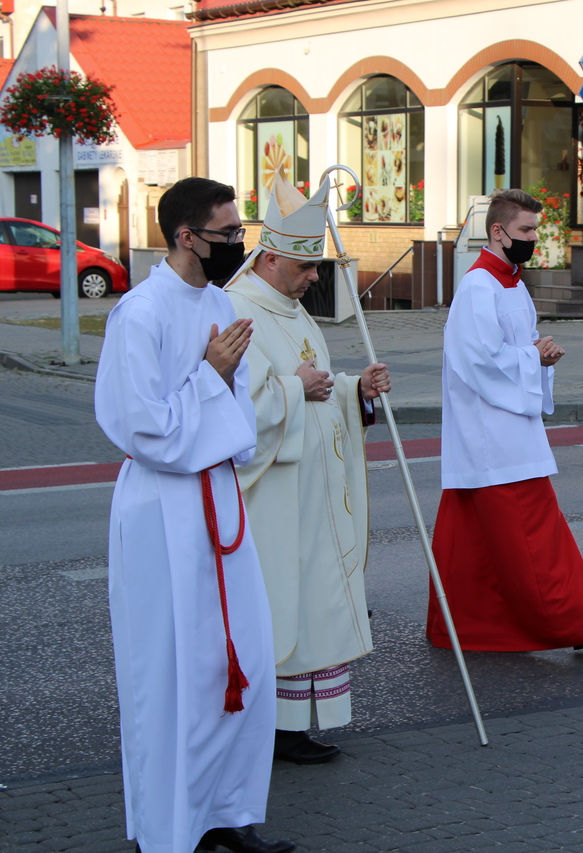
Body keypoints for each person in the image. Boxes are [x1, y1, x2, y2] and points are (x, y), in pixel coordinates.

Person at [95, 176, 294, 853]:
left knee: (235, 662)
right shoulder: (141, 312)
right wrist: (209, 375)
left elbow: (237, 411)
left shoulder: (216, 301)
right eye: (228, 233)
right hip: (163, 509)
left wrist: (223, 382)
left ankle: (228, 813)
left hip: (216, 497)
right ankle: (171, 827)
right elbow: (139, 426)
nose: (238, 243)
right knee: (173, 670)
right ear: (186, 235)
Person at [425, 188, 583, 653]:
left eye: (535, 229)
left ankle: (458, 628)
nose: (533, 238)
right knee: (532, 535)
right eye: (525, 230)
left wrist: (538, 352)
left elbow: (507, 350)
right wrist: (533, 357)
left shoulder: (512, 283)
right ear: (498, 232)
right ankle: (579, 623)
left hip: (506, 428)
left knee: (477, 543)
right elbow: (479, 361)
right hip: (491, 434)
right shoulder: (479, 286)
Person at [224, 175, 389, 765]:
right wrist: (296, 390)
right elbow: (240, 411)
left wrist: (354, 391)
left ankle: (297, 725)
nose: (316, 278)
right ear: (271, 259)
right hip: (277, 494)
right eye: (306, 267)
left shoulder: (291, 309)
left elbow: (312, 390)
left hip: (313, 492)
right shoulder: (239, 311)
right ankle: (275, 730)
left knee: (314, 602)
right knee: (284, 606)